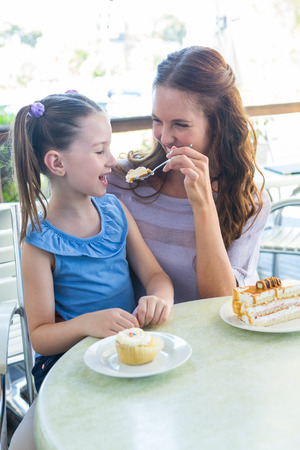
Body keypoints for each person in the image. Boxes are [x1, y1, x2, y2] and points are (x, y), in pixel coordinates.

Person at [9, 92, 173, 449]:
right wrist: (87, 324)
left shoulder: (115, 211)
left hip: (127, 349)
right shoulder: (38, 242)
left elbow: (155, 277)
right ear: (57, 162)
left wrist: (159, 299)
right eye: (100, 151)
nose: (113, 162)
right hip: (69, 364)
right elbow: (39, 335)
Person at [107, 46, 270, 303]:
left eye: (180, 124)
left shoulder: (248, 202)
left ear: (217, 125)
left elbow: (221, 300)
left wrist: (203, 203)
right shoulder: (122, 182)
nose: (164, 137)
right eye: (157, 120)